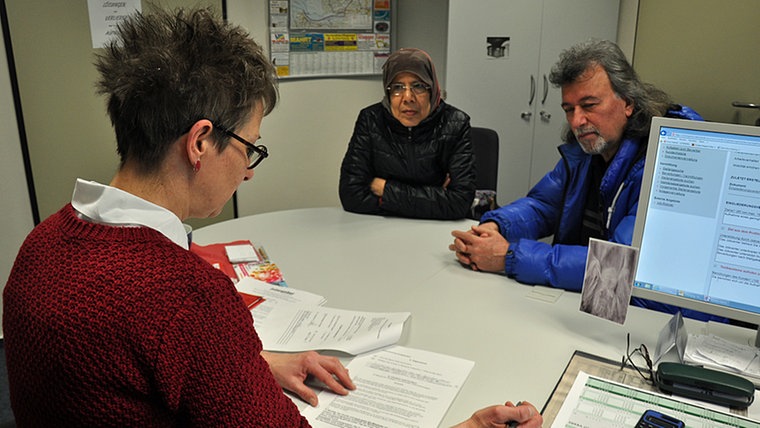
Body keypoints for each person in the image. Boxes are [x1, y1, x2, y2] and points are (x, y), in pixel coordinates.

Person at [3, 7, 542, 428]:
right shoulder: (186, 297)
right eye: (249, 148)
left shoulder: (42, 243)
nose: (250, 173)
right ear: (200, 142)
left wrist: (257, 363)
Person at [449, 39, 716, 321]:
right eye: (569, 109)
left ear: (627, 103)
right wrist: (496, 226)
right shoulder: (587, 152)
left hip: (658, 319)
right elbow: (543, 205)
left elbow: (617, 265)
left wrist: (509, 256)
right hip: (592, 301)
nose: (577, 121)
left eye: (589, 105)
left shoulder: (670, 162)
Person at [339, 47, 477, 220]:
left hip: (438, 233)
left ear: (432, 90)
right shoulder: (371, 120)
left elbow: (459, 203)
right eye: (397, 87)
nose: (408, 97)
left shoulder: (456, 123)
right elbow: (351, 195)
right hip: (380, 230)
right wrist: (435, 198)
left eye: (418, 86)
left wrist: (384, 189)